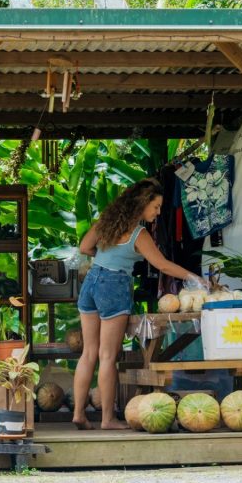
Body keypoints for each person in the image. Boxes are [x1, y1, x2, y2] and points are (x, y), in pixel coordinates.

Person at [73, 178, 206, 430]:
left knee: (88, 353)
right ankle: (107, 419)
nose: (157, 213)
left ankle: (79, 413)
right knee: (108, 356)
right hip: (114, 285)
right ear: (143, 204)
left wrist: (104, 257)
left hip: (91, 281)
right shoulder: (139, 233)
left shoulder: (106, 222)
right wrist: (193, 277)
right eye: (155, 207)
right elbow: (163, 265)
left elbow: (84, 247)